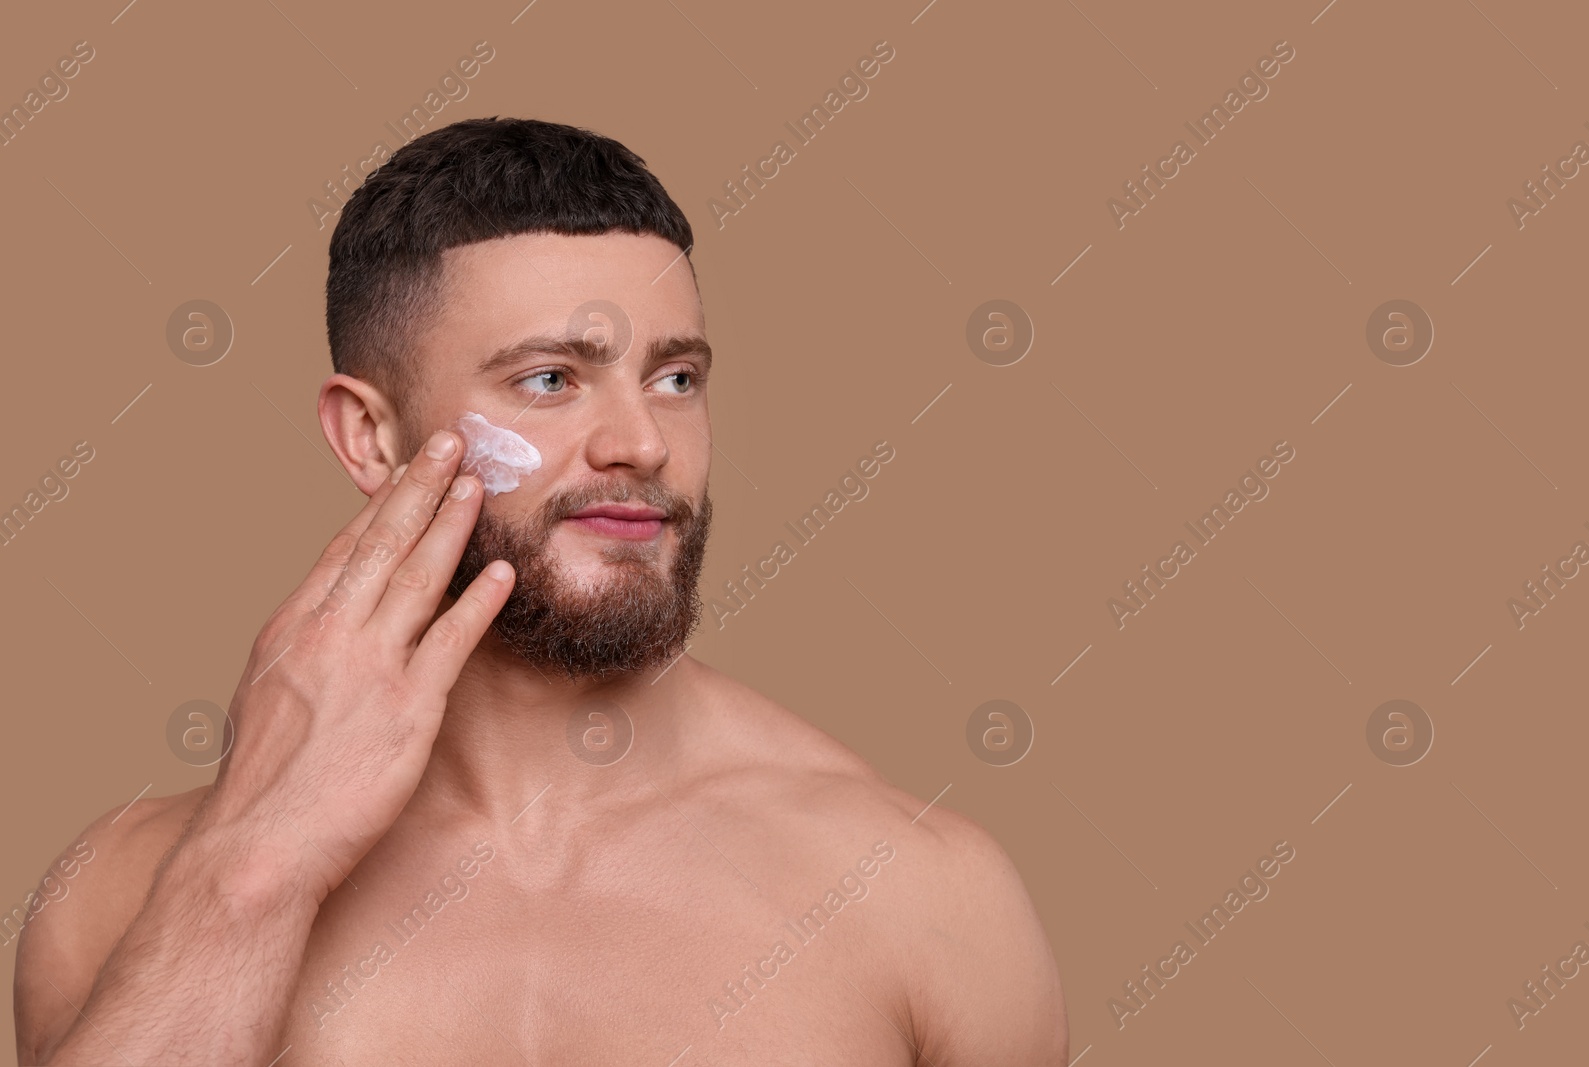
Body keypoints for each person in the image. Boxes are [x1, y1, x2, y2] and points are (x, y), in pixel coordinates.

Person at [13, 117, 1069, 1065]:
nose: (643, 442)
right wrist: (250, 876)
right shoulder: (123, 893)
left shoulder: (919, 892)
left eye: (676, 378)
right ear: (371, 436)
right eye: (551, 380)